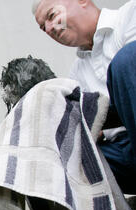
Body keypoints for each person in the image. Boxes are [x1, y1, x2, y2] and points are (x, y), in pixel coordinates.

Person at [33, 0, 136, 194]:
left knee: (126, 59)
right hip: (120, 153)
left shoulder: (131, 15)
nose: (48, 29)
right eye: (42, 28)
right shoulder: (75, 75)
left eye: (52, 15)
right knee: (57, 165)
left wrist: (97, 115)